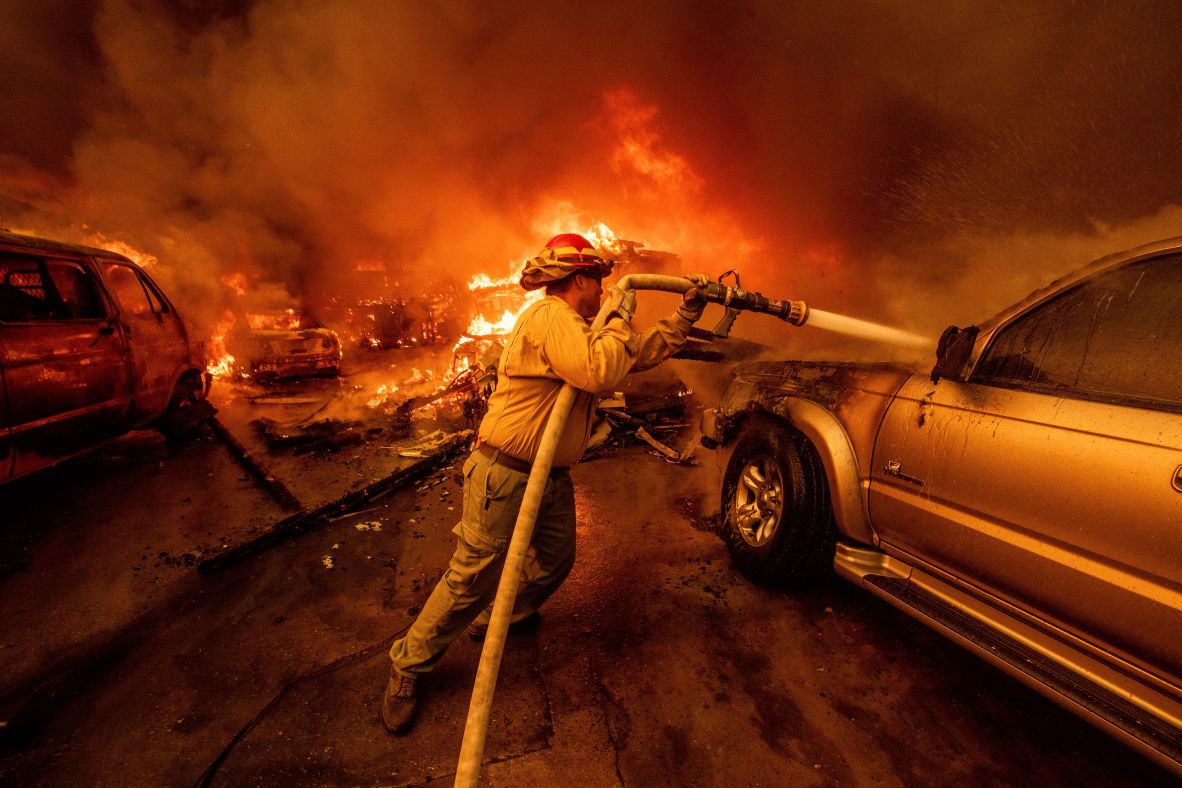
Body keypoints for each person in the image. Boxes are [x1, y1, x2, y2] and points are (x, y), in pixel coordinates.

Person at [382, 233, 708, 734]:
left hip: (547, 476)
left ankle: (504, 615)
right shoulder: (550, 315)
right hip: (506, 475)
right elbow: (599, 371)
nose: (604, 292)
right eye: (600, 284)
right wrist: (621, 312)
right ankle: (408, 665)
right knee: (471, 579)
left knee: (556, 559)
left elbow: (631, 355)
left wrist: (683, 318)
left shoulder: (576, 326)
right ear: (580, 280)